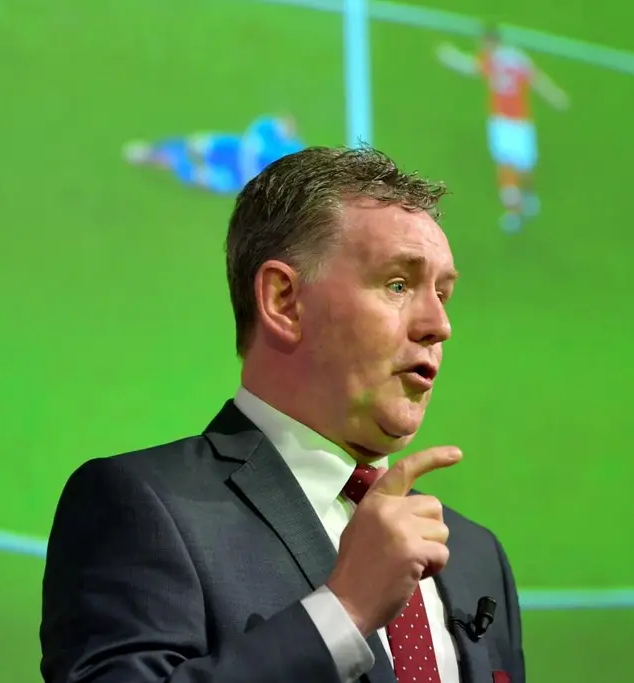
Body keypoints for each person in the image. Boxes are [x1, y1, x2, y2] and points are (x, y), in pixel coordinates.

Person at [40, 146, 525, 683]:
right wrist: (344, 612)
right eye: (398, 285)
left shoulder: (475, 555)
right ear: (284, 300)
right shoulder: (141, 508)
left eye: (443, 293)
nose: (439, 325)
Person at [438, 26, 569, 233]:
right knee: (512, 165)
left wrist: (449, 56)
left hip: (509, 122)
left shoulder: (494, 60)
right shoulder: (516, 57)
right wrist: (555, 96)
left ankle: (523, 202)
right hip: (514, 122)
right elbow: (536, 79)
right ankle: (517, 209)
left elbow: (469, 68)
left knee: (517, 166)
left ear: (492, 42)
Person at [123, 114, 305, 194]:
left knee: (196, 176)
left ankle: (160, 159)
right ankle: (150, 152)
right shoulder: (293, 147)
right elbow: (276, 124)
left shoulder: (287, 181)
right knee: (192, 144)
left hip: (236, 175)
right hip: (233, 149)